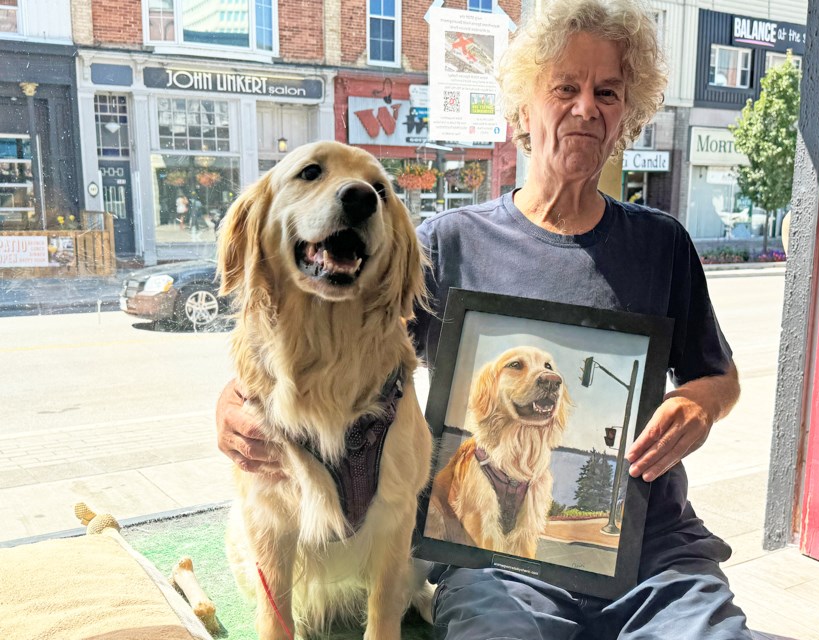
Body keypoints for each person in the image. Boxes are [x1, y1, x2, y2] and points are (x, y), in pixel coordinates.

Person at [215, 1, 749, 638]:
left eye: (608, 92)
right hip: (493, 556)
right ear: (523, 108)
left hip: (652, 556)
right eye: (564, 88)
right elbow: (338, 353)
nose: (586, 108)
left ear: (626, 115)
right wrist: (238, 400)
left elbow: (719, 379)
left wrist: (699, 407)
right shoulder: (444, 244)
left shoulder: (663, 245)